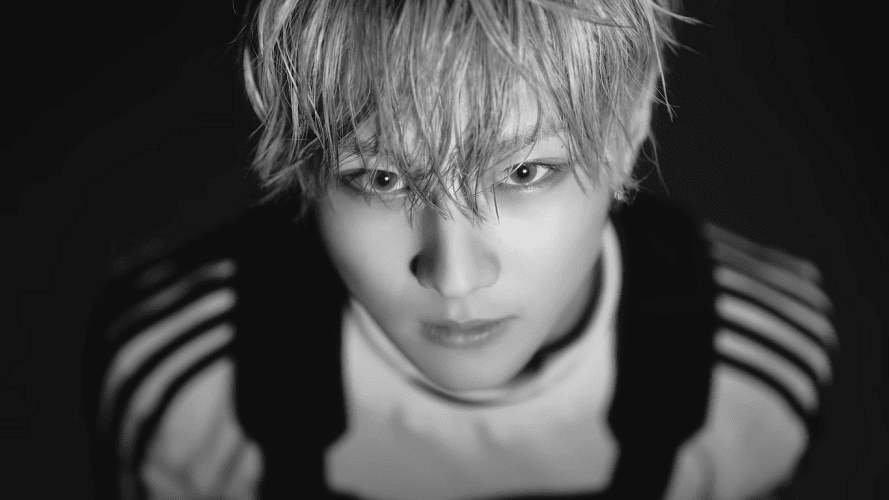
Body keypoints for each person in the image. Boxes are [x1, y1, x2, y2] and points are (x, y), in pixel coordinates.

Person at [82, 0, 838, 498]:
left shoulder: (750, 376)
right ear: (305, 165)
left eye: (523, 172)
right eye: (381, 178)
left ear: (627, 127)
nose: (453, 275)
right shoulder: (185, 387)